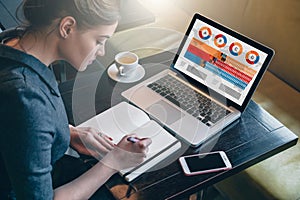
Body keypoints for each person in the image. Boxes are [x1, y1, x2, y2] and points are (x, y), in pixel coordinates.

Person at [0, 0, 152, 199]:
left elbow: (11, 123)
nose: (102, 52)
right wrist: (114, 162)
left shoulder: (12, 40)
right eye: (99, 40)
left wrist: (67, 132)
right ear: (67, 27)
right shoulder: (26, 97)